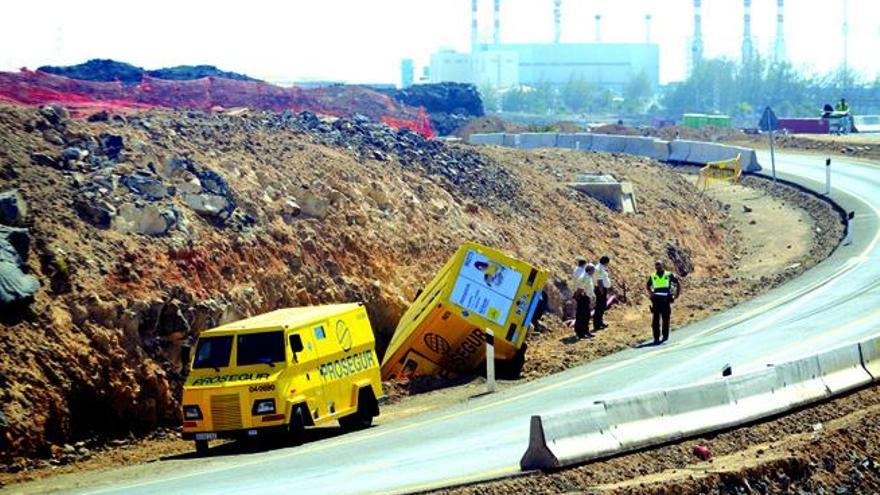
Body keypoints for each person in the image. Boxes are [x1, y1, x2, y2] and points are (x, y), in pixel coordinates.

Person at [645, 260, 681, 345]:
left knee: (666, 318)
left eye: (659, 265)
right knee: (655, 319)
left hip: (665, 298)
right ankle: (656, 337)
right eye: (656, 265)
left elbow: (678, 283)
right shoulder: (653, 276)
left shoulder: (668, 274)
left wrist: (677, 294)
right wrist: (651, 294)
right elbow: (647, 286)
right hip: (656, 299)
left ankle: (665, 336)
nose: (658, 267)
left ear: (662, 265)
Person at [572, 257, 595, 339]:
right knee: (583, 315)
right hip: (583, 298)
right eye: (593, 270)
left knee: (585, 315)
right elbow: (580, 288)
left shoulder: (587, 277)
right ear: (589, 270)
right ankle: (581, 332)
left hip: (585, 297)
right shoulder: (584, 277)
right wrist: (577, 296)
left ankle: (585, 331)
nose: (594, 272)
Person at [593, 256, 612, 330]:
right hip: (600, 289)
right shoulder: (599, 269)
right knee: (599, 307)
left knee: (601, 306)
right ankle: (597, 325)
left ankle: (600, 322)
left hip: (601, 289)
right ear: (606, 262)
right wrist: (602, 291)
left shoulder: (600, 267)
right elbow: (599, 281)